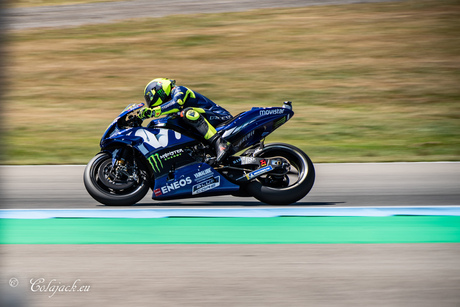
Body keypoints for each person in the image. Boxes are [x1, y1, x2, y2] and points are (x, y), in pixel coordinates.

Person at [137, 78, 233, 163]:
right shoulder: (171, 111)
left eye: (149, 98)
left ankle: (220, 143)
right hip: (206, 123)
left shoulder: (179, 90)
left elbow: (177, 103)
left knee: (187, 113)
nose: (150, 102)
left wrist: (153, 112)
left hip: (220, 117)